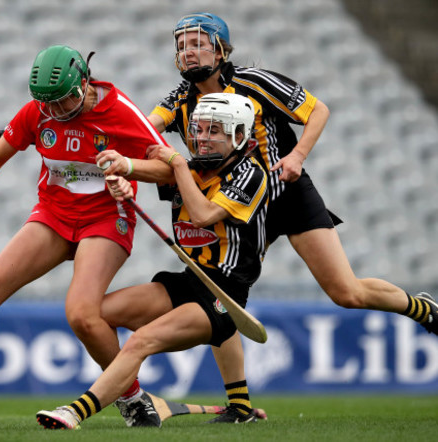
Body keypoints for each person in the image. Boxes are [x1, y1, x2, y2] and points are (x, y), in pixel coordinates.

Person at [143, 12, 438, 423]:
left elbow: (318, 111)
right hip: (234, 199)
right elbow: (144, 131)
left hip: (286, 193)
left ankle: (420, 308)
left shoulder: (255, 81)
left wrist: (297, 156)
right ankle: (240, 406)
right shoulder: (179, 98)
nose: (189, 52)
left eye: (198, 43)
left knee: (345, 292)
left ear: (221, 49)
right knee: (219, 293)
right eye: (182, 46)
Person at [0, 44, 174, 427]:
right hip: (54, 215)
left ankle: (132, 398)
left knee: (83, 316)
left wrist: (129, 167)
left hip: (106, 218)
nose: (53, 112)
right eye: (46, 104)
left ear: (83, 84)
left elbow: (170, 168)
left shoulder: (120, 111)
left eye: (61, 102)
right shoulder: (38, 113)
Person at [36, 92, 268, 430]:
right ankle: (137, 399)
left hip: (223, 295)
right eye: (199, 129)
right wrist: (122, 173)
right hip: (189, 281)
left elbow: (202, 215)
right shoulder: (188, 168)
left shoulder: (250, 174)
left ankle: (77, 410)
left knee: (141, 341)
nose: (202, 138)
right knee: (95, 316)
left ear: (238, 135)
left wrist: (174, 164)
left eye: (214, 130)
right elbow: (143, 170)